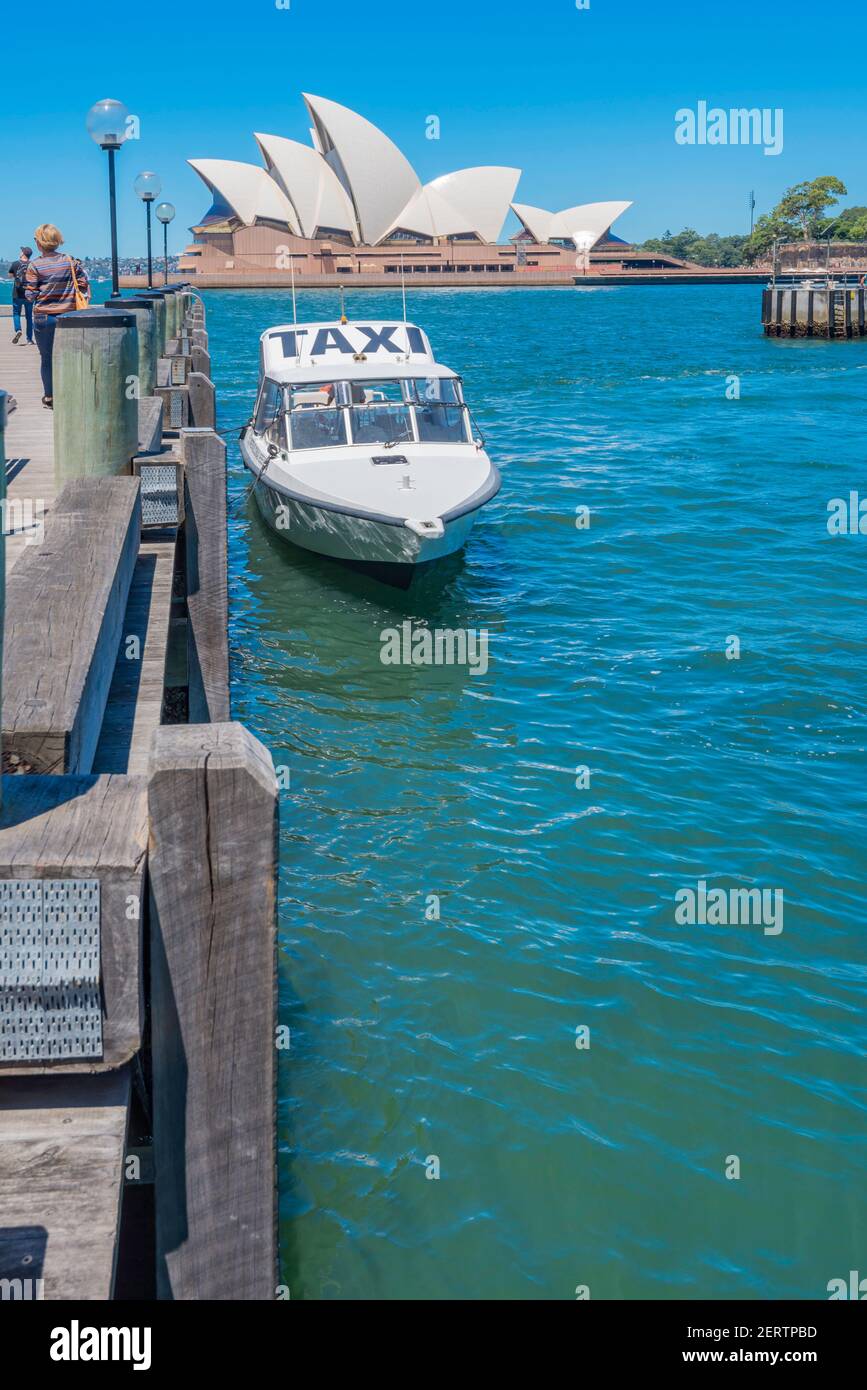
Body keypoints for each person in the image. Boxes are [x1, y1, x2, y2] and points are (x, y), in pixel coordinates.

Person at [25, 223, 90, 408]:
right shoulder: (70, 261)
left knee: (47, 359)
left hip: (44, 317)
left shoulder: (35, 265)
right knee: (71, 356)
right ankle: (72, 393)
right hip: (70, 317)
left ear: (39, 243)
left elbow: (30, 295)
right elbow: (83, 285)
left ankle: (50, 397)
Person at [6, 246, 34, 345]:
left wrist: (15, 276)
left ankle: (18, 330)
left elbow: (9, 275)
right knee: (29, 317)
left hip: (17, 293)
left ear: (23, 253)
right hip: (29, 294)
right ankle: (29, 339)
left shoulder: (15, 263)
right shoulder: (32, 264)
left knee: (16, 313)